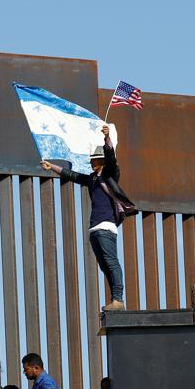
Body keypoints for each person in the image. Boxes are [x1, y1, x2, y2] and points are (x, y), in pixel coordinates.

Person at [41, 124, 136, 311]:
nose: (91, 162)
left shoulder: (110, 175)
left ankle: (118, 299)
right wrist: (51, 166)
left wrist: (107, 138)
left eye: (94, 160)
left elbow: (112, 158)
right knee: (105, 266)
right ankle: (115, 301)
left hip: (106, 227)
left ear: (101, 160)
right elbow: (72, 175)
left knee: (111, 262)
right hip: (94, 229)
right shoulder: (92, 178)